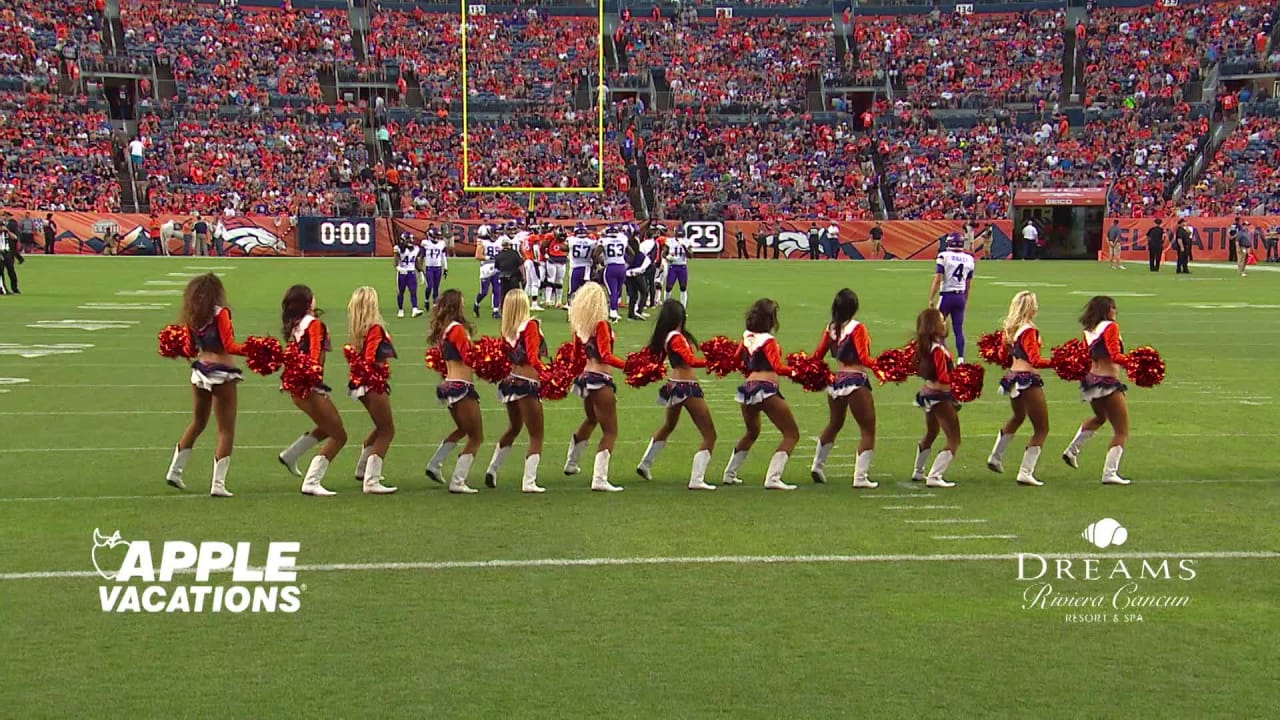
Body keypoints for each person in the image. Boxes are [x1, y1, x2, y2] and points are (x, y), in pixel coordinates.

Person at [164, 274, 244, 496]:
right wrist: (255, 349)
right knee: (225, 430)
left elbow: (189, 348)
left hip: (199, 372)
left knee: (198, 423)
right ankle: (218, 485)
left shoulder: (193, 316)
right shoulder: (221, 313)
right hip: (222, 373)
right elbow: (229, 345)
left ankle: (175, 471)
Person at [635, 299, 717, 490]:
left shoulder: (668, 336)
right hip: (686, 386)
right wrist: (711, 363)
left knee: (668, 425)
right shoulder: (676, 338)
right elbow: (689, 360)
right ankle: (697, 479)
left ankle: (645, 463)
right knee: (709, 434)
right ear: (679, 317)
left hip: (673, 385)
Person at [722, 299, 800, 490]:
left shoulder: (746, 337)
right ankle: (773, 478)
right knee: (791, 434)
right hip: (766, 389)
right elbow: (777, 367)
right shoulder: (769, 340)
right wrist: (797, 371)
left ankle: (729, 473)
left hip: (747, 389)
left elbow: (735, 359)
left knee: (752, 432)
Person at [276, 285, 344, 496]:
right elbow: (314, 355)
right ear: (307, 302)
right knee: (339, 435)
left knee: (326, 427)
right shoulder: (313, 325)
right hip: (309, 387)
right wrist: (315, 379)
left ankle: (291, 454)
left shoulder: (296, 325)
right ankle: (312, 481)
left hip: (299, 387)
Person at [810, 289, 878, 489]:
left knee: (834, 424)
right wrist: (882, 365)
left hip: (835, 381)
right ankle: (860, 477)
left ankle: (817, 465)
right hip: (855, 381)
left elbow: (817, 355)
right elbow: (864, 358)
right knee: (867, 429)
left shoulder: (831, 328)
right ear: (854, 307)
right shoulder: (857, 328)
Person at [1061, 296, 1132, 485]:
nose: (1115, 311)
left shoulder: (1088, 331)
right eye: (1113, 307)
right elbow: (1115, 355)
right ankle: (1110, 473)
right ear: (1106, 310)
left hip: (1091, 382)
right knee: (1121, 431)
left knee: (1100, 418)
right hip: (1108, 383)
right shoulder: (1110, 327)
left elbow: (1086, 357)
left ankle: (1072, 450)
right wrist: (1134, 362)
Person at [562, 282, 626, 492]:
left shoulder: (580, 327)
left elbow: (574, 358)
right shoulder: (601, 325)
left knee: (591, 419)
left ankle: (571, 462)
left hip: (585, 378)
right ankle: (599, 478)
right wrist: (628, 365)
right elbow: (605, 355)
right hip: (600, 378)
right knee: (610, 431)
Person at [986, 291, 1052, 486]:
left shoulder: (1012, 330)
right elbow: (1035, 360)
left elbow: (1001, 355)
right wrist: (1058, 363)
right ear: (1030, 307)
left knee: (1018, 417)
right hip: (1027, 380)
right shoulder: (1029, 330)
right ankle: (1026, 472)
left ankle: (995, 456)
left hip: (1012, 378)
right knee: (1042, 428)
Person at [485, 290, 547, 493]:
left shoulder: (507, 330)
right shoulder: (530, 325)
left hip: (509, 382)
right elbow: (533, 357)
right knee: (536, 435)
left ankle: (492, 469)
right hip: (527, 384)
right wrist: (549, 372)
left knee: (514, 427)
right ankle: (529, 482)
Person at [424, 289, 482, 494]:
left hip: (449, 385)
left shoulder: (445, 329)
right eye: (462, 301)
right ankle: (458, 480)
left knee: (463, 430)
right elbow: (468, 356)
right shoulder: (456, 329)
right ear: (455, 304)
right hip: (461, 387)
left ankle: (434, 463)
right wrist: (487, 355)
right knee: (477, 437)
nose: (464, 304)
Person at [346, 287, 399, 494]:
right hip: (372, 383)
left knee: (380, 426)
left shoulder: (358, 328)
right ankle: (372, 480)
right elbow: (370, 359)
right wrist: (380, 368)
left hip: (361, 384)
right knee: (387, 430)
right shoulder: (374, 328)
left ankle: (362, 469)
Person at [911, 308, 961, 488]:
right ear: (934, 326)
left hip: (927, 394)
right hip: (940, 396)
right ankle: (935, 475)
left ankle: (918, 471)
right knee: (954, 439)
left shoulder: (925, 346)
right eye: (941, 320)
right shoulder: (938, 349)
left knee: (931, 432)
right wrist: (961, 379)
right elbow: (943, 376)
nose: (944, 322)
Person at [927, 235, 975, 363]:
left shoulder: (944, 256)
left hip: (946, 296)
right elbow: (968, 284)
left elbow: (938, 279)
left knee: (936, 327)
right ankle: (960, 358)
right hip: (959, 296)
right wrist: (965, 299)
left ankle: (943, 354)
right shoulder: (969, 259)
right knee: (958, 329)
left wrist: (931, 297)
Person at [473, 225, 504, 319]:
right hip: (486, 268)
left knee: (497, 290)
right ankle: (476, 303)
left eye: (497, 233)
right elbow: (477, 256)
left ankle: (495, 311)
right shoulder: (483, 242)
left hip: (497, 268)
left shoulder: (500, 241)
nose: (496, 235)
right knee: (484, 292)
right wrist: (488, 258)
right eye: (494, 233)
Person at [393, 232, 422, 318]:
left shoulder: (416, 248)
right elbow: (395, 261)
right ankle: (400, 309)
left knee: (413, 291)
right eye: (409, 239)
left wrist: (420, 271)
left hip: (411, 272)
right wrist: (399, 268)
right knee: (401, 292)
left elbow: (416, 261)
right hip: (402, 273)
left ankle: (414, 309)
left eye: (411, 239)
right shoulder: (398, 248)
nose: (411, 241)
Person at [624, 234, 652, 321]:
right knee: (644, 292)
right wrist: (636, 271)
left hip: (628, 275)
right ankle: (639, 311)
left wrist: (628, 272)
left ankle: (631, 314)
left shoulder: (626, 255)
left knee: (633, 295)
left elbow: (624, 266)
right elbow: (647, 263)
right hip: (637, 275)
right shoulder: (640, 255)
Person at [420, 227, 448, 310]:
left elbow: (443, 256)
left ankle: (435, 303)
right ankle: (426, 300)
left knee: (436, 287)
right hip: (429, 267)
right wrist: (421, 269)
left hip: (438, 267)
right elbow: (421, 256)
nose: (437, 238)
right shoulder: (425, 243)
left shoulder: (442, 243)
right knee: (429, 286)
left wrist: (446, 268)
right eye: (436, 236)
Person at [567, 222, 597, 297]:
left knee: (573, 290)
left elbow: (563, 247)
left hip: (575, 267)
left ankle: (571, 306)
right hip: (587, 268)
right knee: (586, 290)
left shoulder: (571, 240)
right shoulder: (591, 242)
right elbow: (595, 255)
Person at [542, 227, 568, 308]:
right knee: (550, 280)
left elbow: (568, 249)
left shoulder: (567, 240)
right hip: (552, 260)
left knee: (559, 282)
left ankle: (559, 301)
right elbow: (542, 246)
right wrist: (544, 255)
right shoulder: (550, 238)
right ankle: (548, 300)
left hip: (562, 261)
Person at [0, 219, 19, 295]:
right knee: (1, 272)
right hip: (0, 252)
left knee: (11, 271)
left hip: (7, 252)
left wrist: (7, 231)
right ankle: (3, 289)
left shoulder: (6, 233)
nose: (2, 227)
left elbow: (15, 238)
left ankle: (15, 288)